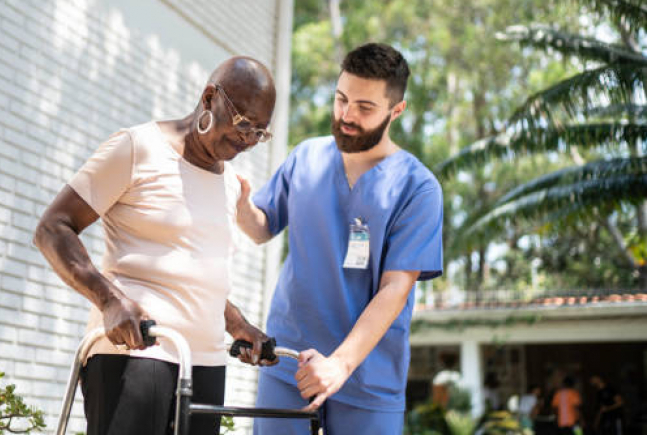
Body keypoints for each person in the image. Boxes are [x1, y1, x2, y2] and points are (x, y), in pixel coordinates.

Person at [33, 57, 277, 435]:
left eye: (259, 133)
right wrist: (110, 302)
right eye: (244, 124)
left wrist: (238, 325)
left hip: (206, 364)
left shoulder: (229, 183)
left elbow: (189, 270)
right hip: (138, 352)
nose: (248, 140)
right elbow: (53, 229)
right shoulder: (138, 147)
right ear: (210, 97)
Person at [237, 42, 443, 435]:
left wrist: (340, 364)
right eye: (341, 99)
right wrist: (242, 207)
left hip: (369, 378)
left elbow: (395, 289)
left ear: (396, 110)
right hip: (288, 364)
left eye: (365, 108)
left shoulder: (418, 189)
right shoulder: (305, 158)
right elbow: (261, 228)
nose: (347, 115)